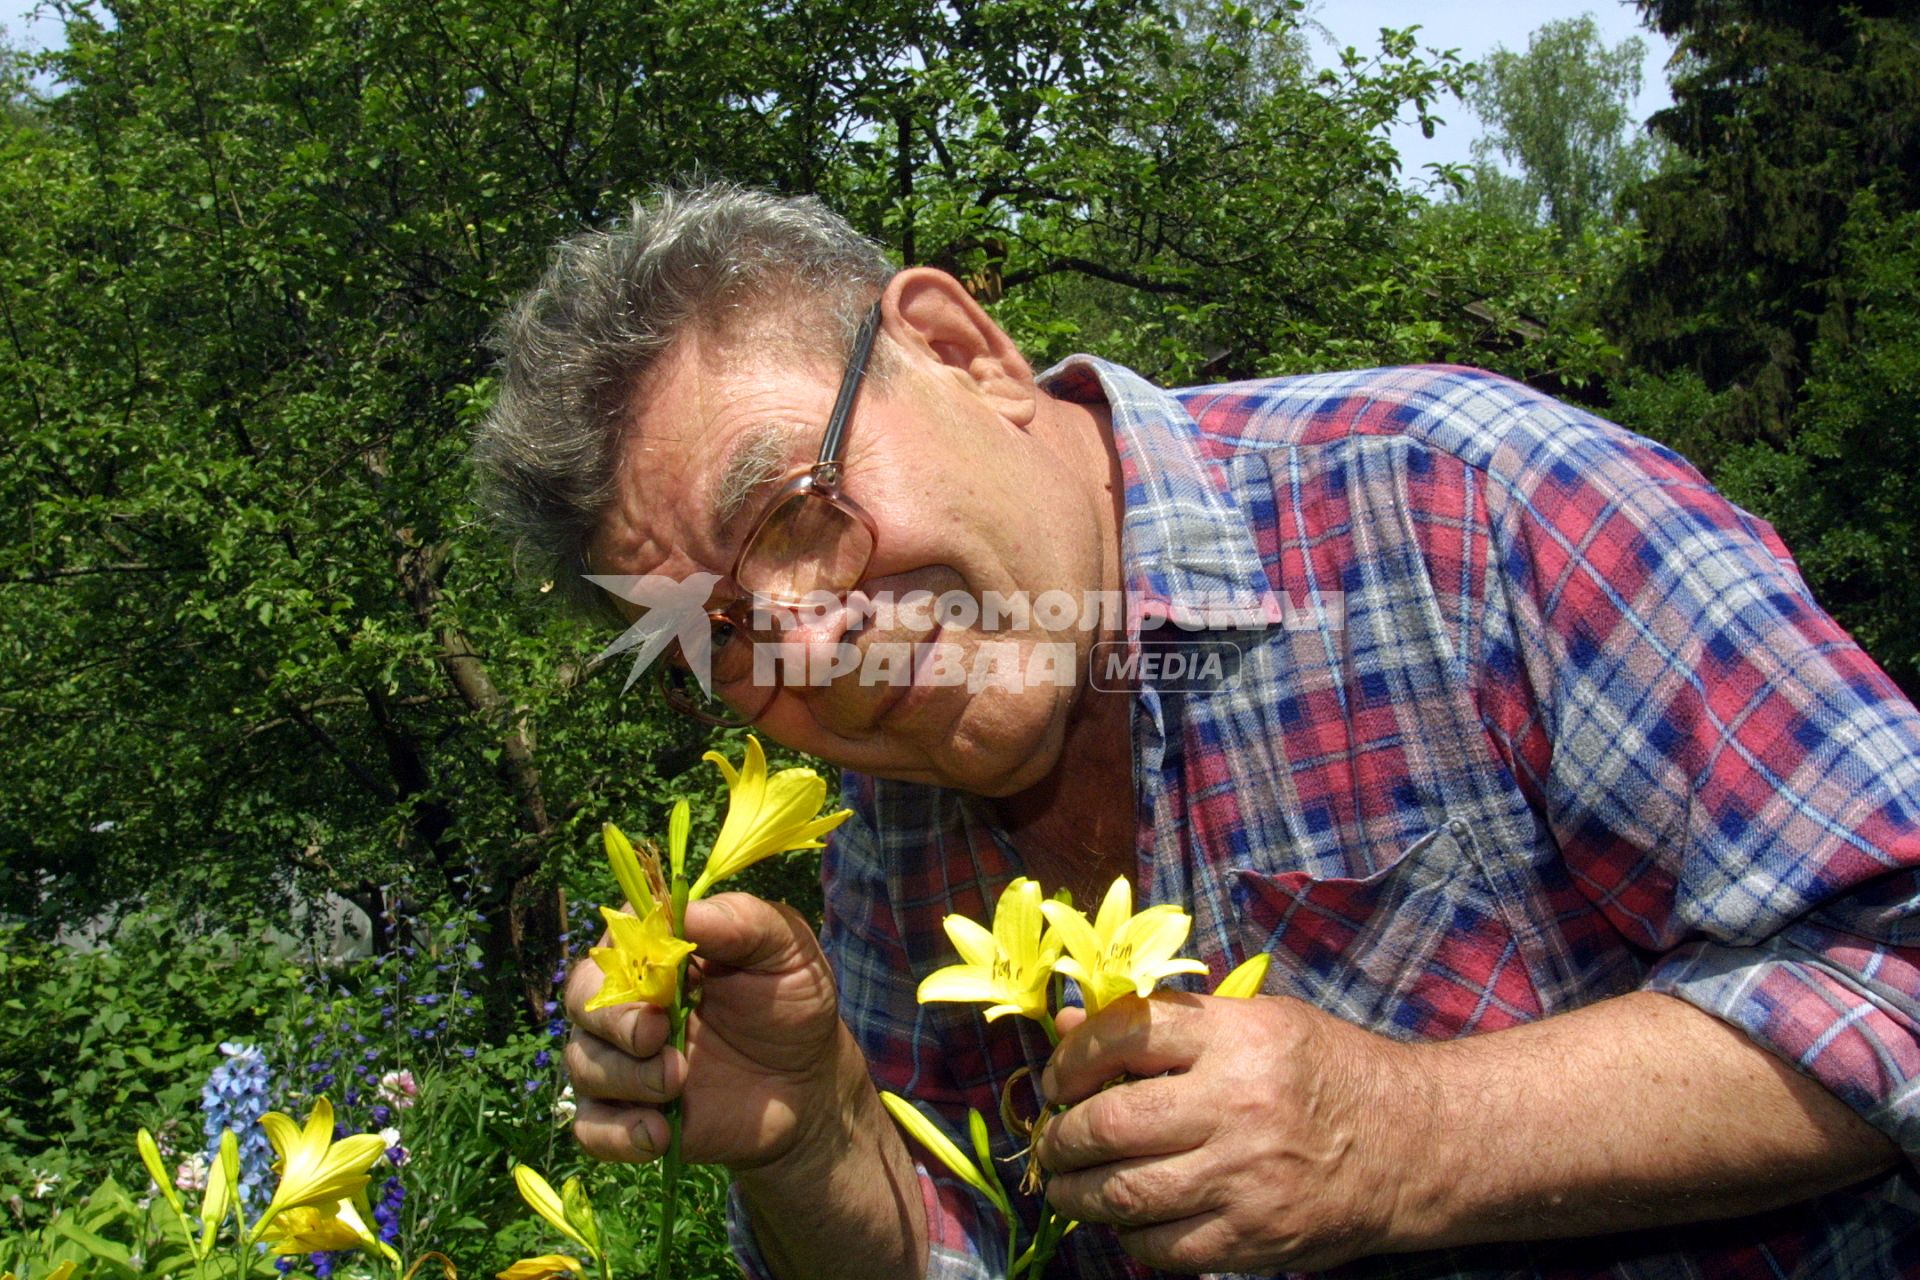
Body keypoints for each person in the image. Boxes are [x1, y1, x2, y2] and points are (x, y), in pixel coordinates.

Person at [472, 185, 1920, 1279]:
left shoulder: (1461, 502)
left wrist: (1408, 1136)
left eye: (794, 511)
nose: (813, 644)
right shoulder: (890, 813)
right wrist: (818, 1135)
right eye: (716, 631)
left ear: (958, 347)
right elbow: (959, 1245)